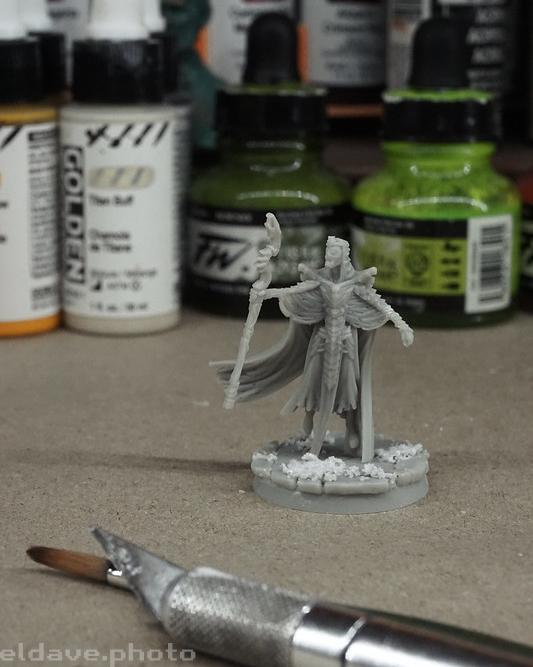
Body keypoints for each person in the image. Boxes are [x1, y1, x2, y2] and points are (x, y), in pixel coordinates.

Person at [216, 236, 413, 462]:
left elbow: (379, 304)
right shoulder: (319, 280)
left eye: (333, 252)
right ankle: (309, 419)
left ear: (343, 256)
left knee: (349, 387)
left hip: (345, 342)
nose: (328, 256)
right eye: (327, 251)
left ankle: (351, 426)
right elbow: (295, 290)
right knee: (312, 382)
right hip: (322, 339)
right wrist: (266, 293)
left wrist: (402, 326)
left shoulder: (355, 283)